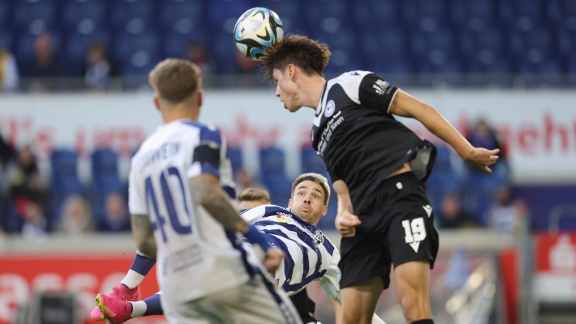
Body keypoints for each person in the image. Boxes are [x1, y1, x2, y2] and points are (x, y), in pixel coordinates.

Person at [260, 35, 500, 324]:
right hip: (362, 221)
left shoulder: (348, 84)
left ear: (291, 71)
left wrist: (467, 150)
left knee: (412, 303)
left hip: (399, 199)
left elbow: (419, 109)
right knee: (352, 319)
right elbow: (341, 183)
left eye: (276, 80)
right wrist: (344, 213)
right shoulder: (316, 133)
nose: (276, 92)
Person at [96, 58, 299, 324]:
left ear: (157, 103)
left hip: (175, 290)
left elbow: (145, 239)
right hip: (223, 273)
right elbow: (207, 193)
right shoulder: (204, 135)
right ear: (200, 98)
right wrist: (259, 240)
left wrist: (129, 285)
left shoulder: (140, 159)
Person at [91, 173, 386, 323]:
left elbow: (352, 301)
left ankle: (131, 308)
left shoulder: (328, 252)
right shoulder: (271, 211)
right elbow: (234, 222)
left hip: (262, 286)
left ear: (325, 208)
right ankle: (127, 293)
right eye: (301, 193)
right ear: (290, 200)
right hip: (238, 256)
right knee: (170, 223)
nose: (307, 199)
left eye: (316, 196)